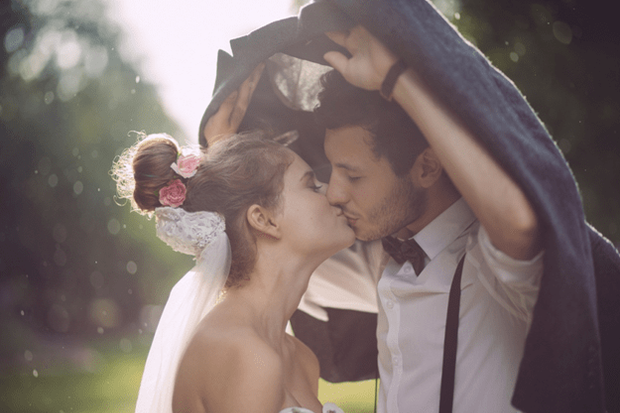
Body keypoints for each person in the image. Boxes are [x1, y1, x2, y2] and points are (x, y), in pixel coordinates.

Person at [202, 25, 545, 412]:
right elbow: (262, 255)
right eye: (330, 172)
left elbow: (522, 227)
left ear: (428, 167)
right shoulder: (381, 260)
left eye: (354, 175)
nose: (334, 192)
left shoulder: (497, 266)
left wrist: (398, 78)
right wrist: (222, 155)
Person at [111, 129, 355, 413]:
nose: (333, 192)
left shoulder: (301, 359)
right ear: (264, 219)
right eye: (311, 186)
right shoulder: (245, 354)